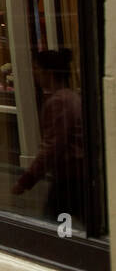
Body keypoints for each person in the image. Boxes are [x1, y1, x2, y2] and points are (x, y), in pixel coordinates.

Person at [11, 48, 84, 220]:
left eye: (37, 69)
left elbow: (53, 147)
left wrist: (26, 181)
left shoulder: (59, 102)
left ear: (49, 73)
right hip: (76, 176)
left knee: (54, 223)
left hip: (69, 178)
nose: (35, 74)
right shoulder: (71, 97)